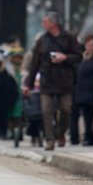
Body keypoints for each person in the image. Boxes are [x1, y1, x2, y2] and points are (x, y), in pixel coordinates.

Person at [23, 11, 82, 151]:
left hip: (64, 80)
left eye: (45, 21)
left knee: (65, 109)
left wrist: (65, 57)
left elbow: (78, 56)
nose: (43, 24)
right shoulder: (42, 40)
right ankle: (50, 139)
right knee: (46, 110)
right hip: (47, 80)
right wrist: (28, 85)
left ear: (53, 23)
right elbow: (34, 64)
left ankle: (60, 133)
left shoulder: (69, 38)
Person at [75, 35, 93, 146]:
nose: (89, 47)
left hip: (92, 92)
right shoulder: (84, 58)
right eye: (88, 45)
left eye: (91, 45)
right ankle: (88, 137)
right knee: (86, 117)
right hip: (83, 93)